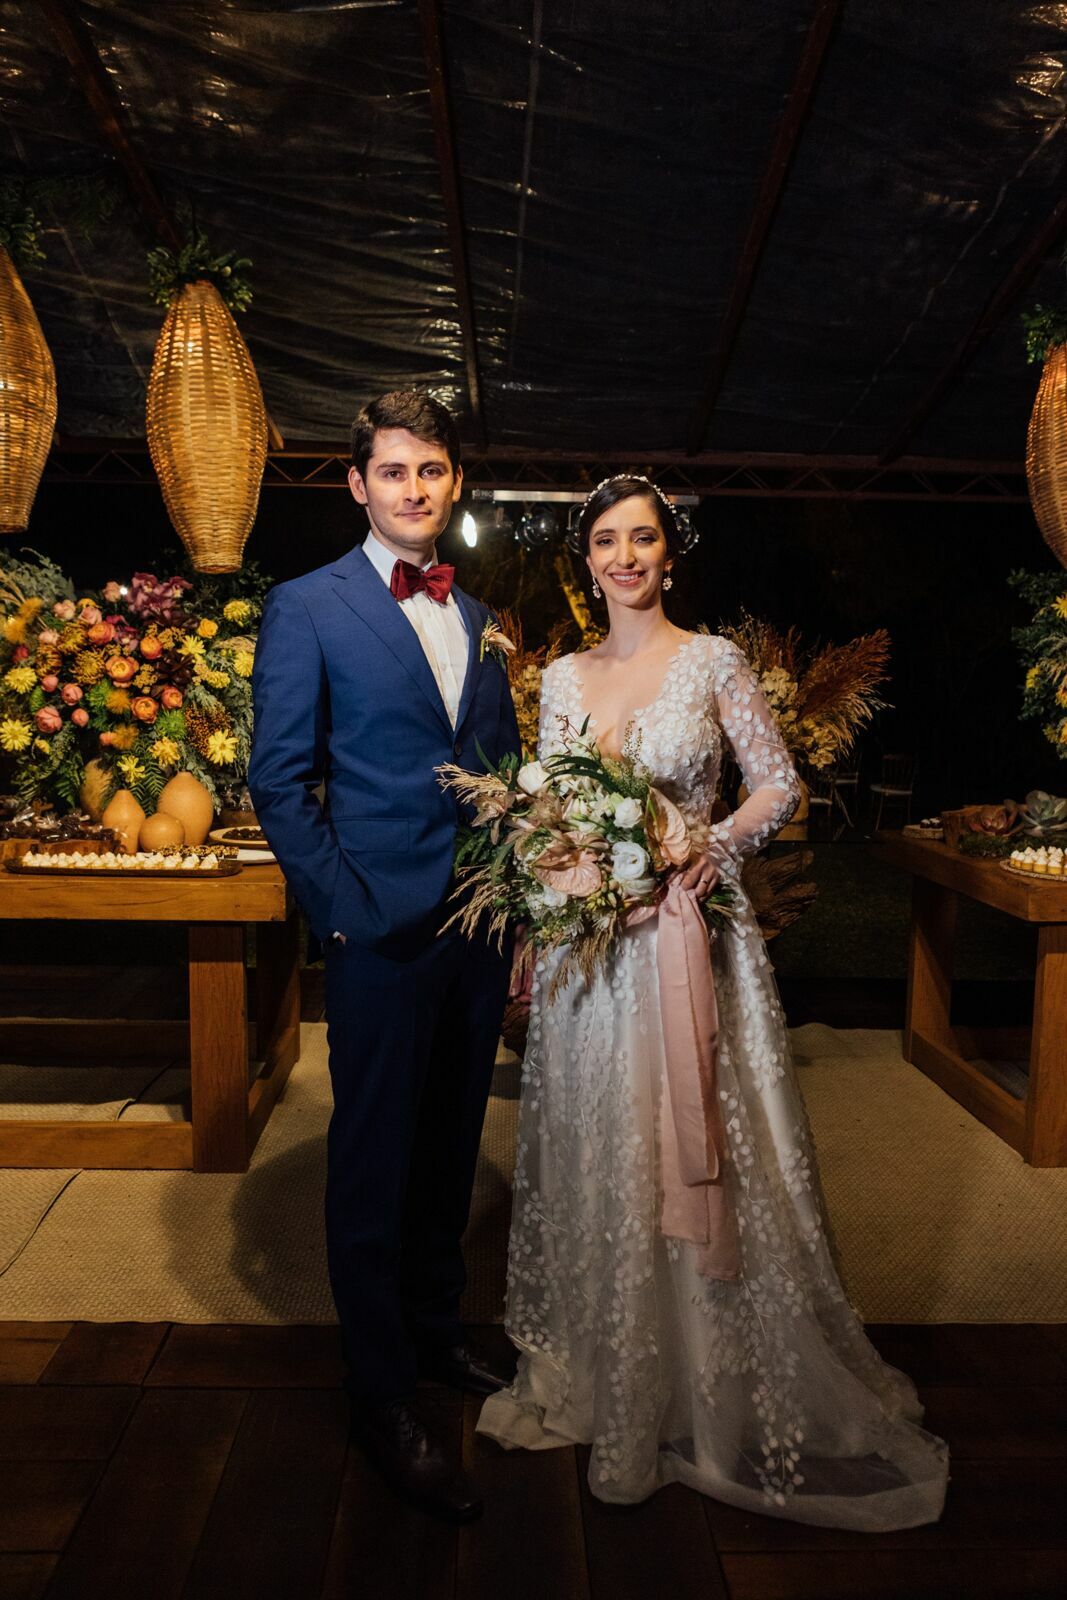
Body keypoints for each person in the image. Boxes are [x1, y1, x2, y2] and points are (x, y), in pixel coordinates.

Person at [477, 474, 949, 1531]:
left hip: (689, 940)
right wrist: (556, 880)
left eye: (641, 537)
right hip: (591, 961)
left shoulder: (713, 661)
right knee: (604, 1145)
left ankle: (707, 1375)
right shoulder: (559, 677)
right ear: (585, 557)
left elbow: (775, 782)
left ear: (669, 551)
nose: (624, 556)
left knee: (696, 1149)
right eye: (605, 540)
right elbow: (550, 805)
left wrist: (708, 844)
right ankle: (608, 1370)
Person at [249, 390, 521, 1523]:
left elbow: (497, 769)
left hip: (474, 929)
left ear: (453, 484)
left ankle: (434, 1329)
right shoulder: (307, 606)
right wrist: (342, 912)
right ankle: (376, 1395)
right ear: (358, 484)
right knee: (369, 1160)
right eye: (394, 469)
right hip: (378, 930)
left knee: (450, 1142)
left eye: (434, 470)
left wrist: (512, 912)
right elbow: (277, 778)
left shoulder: (483, 615)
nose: (415, 488)